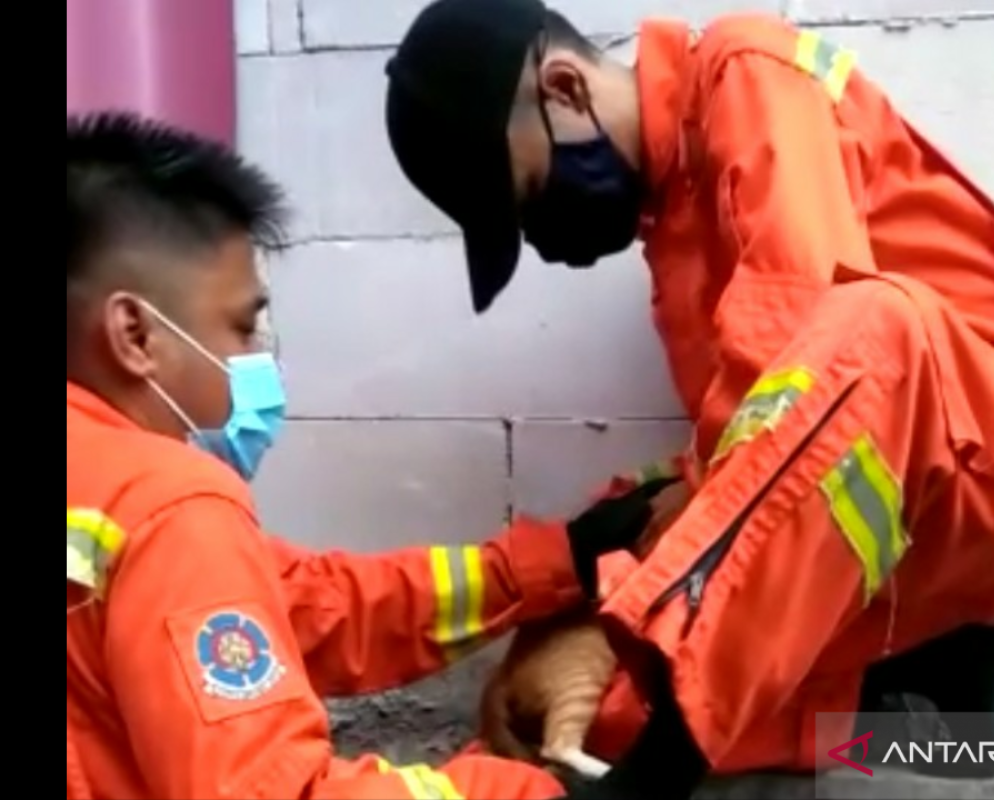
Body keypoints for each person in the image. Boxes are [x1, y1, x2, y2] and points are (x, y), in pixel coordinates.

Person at [381, 0, 994, 791]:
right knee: (590, 705)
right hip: (880, 534)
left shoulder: (747, 73)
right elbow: (736, 455)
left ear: (565, 89)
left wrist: (629, 630)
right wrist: (568, 628)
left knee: (871, 324)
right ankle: (930, 728)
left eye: (529, 196)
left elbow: (809, 379)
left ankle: (668, 770)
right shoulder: (674, 235)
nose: (545, 239)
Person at [65, 109, 683, 800]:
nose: (259, 359)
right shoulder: (168, 508)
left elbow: (320, 609)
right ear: (135, 334)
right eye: (242, 327)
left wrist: (554, 560)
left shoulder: (104, 494)